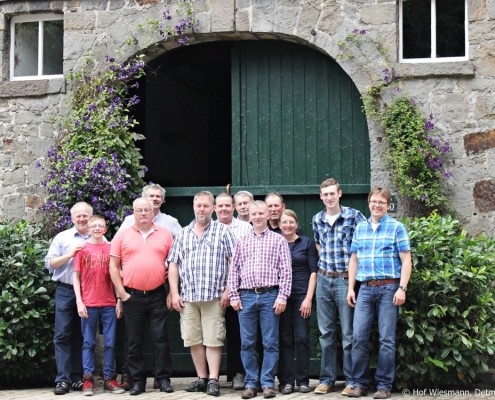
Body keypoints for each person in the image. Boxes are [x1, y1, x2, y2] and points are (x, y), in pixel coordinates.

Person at [168, 191, 236, 397]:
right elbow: (173, 265)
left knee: (213, 339)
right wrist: (174, 292)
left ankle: (214, 380)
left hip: (214, 296)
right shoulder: (183, 233)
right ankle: (201, 378)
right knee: (193, 339)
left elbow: (234, 262)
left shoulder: (223, 231)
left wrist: (228, 289)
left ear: (213, 208)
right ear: (193, 207)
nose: (202, 209)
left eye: (206, 206)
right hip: (188, 296)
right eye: (198, 206)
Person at [346, 187, 412, 400]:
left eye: (381, 202)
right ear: (369, 203)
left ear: (387, 205)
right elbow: (354, 259)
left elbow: (406, 260)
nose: (377, 205)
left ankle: (384, 386)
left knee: (386, 339)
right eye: (374, 201)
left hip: (389, 288)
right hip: (365, 288)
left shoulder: (396, 228)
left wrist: (402, 288)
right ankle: (359, 384)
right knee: (358, 338)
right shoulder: (360, 228)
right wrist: (350, 288)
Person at [117, 183, 181, 390]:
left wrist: (172, 291)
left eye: (148, 209)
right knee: (134, 341)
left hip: (156, 293)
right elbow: (113, 264)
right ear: (134, 212)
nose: (145, 212)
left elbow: (175, 262)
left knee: (160, 338)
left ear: (156, 209)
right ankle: (137, 381)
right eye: (140, 210)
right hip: (132, 294)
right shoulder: (125, 230)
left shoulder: (166, 231)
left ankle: (163, 379)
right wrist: (121, 295)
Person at [228, 200, 292, 400]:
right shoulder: (242, 240)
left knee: (270, 342)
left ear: (267, 215)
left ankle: (267, 383)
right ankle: (250, 382)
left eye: (260, 213)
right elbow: (234, 270)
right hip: (246, 296)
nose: (257, 216)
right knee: (247, 343)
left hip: (269, 296)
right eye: (254, 213)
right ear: (250, 215)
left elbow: (286, 271)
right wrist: (233, 295)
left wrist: (282, 296)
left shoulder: (278, 240)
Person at [312, 178, 366, 396]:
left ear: (340, 194)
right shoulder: (317, 219)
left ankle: (352, 380)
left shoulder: (354, 216)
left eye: (332, 193)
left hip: (345, 280)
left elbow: (364, 242)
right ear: (321, 197)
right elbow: (318, 245)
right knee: (326, 333)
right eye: (325, 194)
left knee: (348, 334)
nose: (329, 197)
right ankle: (326, 380)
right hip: (324, 280)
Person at [73, 215, 125, 396]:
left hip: (109, 303)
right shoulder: (82, 249)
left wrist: (119, 300)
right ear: (88, 229)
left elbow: (117, 275)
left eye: (100, 225)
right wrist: (79, 301)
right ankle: (88, 381)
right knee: (88, 343)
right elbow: (76, 276)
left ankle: (109, 379)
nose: (96, 228)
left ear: (105, 228)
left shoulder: (111, 249)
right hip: (88, 303)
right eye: (93, 225)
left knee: (110, 343)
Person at [45, 202, 93, 395]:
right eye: (78, 216)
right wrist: (70, 255)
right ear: (72, 218)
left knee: (82, 335)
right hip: (65, 290)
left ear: (91, 217)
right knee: (62, 335)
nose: (82, 219)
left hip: (89, 292)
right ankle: (62, 380)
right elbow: (50, 264)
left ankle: (77, 378)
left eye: (85, 216)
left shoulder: (98, 237)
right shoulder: (62, 237)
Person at [215, 192, 253, 390]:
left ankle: (241, 373)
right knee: (217, 334)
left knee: (240, 333)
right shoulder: (210, 229)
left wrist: (233, 288)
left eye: (227, 206)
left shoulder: (246, 228)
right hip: (215, 290)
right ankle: (211, 377)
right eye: (220, 206)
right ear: (215, 208)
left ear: (233, 208)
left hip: (241, 289)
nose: (223, 209)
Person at [278, 209, 318, 395]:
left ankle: (302, 380)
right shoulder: (276, 242)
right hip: (282, 297)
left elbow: (313, 271)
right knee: (285, 339)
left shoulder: (306, 242)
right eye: (284, 222)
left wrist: (309, 298)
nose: (287, 226)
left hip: (302, 295)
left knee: (301, 338)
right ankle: (286, 381)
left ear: (296, 224)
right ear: (279, 225)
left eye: (291, 222)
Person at [117, 183, 181, 238]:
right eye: (151, 196)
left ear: (162, 200)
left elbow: (182, 241)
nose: (155, 198)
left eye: (158, 196)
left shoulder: (171, 222)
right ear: (144, 199)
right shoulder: (130, 220)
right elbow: (117, 241)